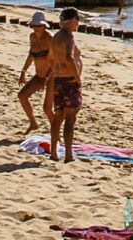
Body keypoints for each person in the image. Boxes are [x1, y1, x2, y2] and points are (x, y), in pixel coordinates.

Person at [46, 9, 85, 162]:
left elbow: (50, 58)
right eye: (77, 20)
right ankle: (68, 155)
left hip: (59, 80)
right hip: (69, 80)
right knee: (70, 119)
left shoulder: (55, 37)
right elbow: (69, 58)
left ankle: (54, 152)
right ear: (73, 21)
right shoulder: (68, 37)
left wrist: (56, 71)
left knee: (58, 116)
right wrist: (77, 78)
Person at [17, 12, 53, 131]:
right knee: (22, 96)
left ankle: (56, 133)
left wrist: (46, 78)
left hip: (52, 77)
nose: (35, 28)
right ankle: (33, 123)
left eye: (38, 25)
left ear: (44, 26)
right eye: (33, 26)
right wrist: (23, 71)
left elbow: (56, 62)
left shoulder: (50, 38)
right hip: (39, 75)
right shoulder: (32, 37)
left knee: (47, 109)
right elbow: (31, 55)